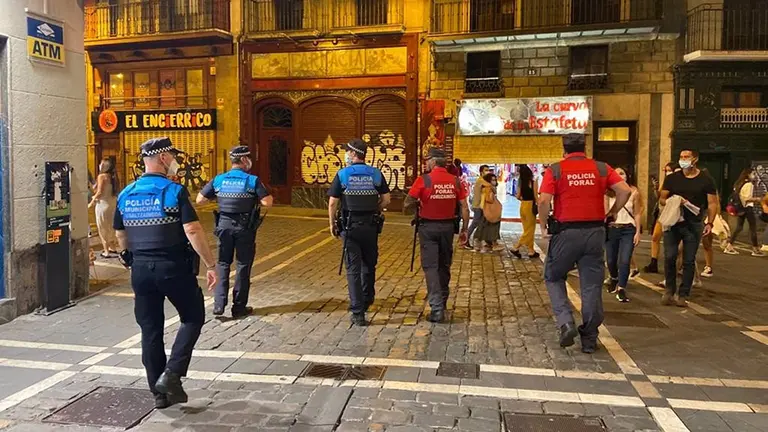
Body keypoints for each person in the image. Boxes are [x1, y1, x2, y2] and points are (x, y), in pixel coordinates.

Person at [114, 137, 217, 409]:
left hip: (140, 270)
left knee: (150, 330)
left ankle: (159, 395)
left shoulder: (126, 193)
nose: (175, 160)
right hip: (173, 268)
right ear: (162, 158)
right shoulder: (174, 191)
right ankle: (172, 374)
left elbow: (120, 233)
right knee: (193, 316)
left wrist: (129, 258)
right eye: (172, 155)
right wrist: (210, 264)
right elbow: (192, 229)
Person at [538, 134, 631, 353]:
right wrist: (613, 212)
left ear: (564, 149)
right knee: (591, 285)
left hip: (566, 233)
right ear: (585, 147)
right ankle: (589, 338)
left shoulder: (556, 170)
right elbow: (625, 190)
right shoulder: (601, 168)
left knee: (553, 276)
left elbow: (543, 200)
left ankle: (566, 322)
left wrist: (543, 226)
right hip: (595, 232)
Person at [196, 146, 274, 318]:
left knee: (223, 263)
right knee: (243, 265)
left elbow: (200, 199)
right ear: (244, 160)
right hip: (244, 228)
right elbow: (267, 202)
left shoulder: (219, 179)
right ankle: (239, 307)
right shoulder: (252, 180)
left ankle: (219, 304)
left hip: (223, 226)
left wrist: (219, 197)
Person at [328, 138, 391, 326]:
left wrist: (332, 224)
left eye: (347, 151)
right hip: (370, 226)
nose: (346, 154)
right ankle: (367, 298)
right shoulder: (375, 173)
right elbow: (386, 199)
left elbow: (333, 202)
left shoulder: (343, 174)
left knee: (353, 268)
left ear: (354, 154)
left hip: (350, 227)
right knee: (369, 264)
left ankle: (357, 311)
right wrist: (374, 209)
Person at [405, 148, 469, 323]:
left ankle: (437, 308)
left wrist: (418, 204)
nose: (426, 163)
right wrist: (465, 229)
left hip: (428, 228)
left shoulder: (424, 180)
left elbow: (407, 204)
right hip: (448, 228)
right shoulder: (455, 180)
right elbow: (464, 207)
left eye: (427, 160)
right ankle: (443, 301)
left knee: (431, 267)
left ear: (433, 162)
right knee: (444, 265)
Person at [659, 149, 718, 307]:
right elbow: (662, 198)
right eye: (681, 157)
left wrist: (710, 222)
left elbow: (712, 203)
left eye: (687, 157)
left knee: (689, 260)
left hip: (694, 224)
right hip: (673, 222)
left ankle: (683, 294)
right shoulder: (672, 179)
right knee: (670, 256)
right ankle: (669, 290)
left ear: (695, 159)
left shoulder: (706, 180)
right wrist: (674, 201)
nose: (683, 159)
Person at [604, 167, 644, 303]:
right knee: (610, 260)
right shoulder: (608, 193)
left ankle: (622, 288)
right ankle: (614, 278)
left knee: (625, 260)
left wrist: (638, 232)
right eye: (616, 174)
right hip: (612, 229)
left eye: (622, 173)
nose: (619, 176)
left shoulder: (634, 192)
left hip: (628, 229)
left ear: (627, 175)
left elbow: (637, 213)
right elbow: (605, 212)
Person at [644, 162, 680, 273]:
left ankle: (677, 266)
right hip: (662, 213)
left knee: (674, 242)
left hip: (674, 214)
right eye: (666, 171)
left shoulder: (679, 182)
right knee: (655, 237)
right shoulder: (666, 181)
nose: (667, 172)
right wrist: (656, 188)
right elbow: (659, 197)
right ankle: (653, 262)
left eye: (669, 170)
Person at [724, 167, 764, 256]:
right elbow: (747, 198)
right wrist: (758, 199)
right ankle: (755, 249)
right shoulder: (749, 184)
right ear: (748, 174)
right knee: (753, 228)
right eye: (753, 174)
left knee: (739, 227)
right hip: (747, 208)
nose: (754, 175)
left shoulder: (739, 183)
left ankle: (729, 246)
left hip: (741, 208)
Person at [89, 159, 119, 257]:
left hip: (103, 205)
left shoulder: (101, 176)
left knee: (102, 227)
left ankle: (106, 251)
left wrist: (91, 202)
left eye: (100, 164)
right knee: (111, 226)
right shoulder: (113, 177)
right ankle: (113, 247)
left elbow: (99, 192)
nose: (99, 165)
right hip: (112, 204)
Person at [510, 164, 539, 259]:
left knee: (527, 229)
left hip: (523, 205)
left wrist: (523, 199)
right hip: (530, 206)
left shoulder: (520, 182)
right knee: (530, 229)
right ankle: (516, 247)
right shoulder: (533, 182)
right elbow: (536, 196)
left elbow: (518, 196)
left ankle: (531, 250)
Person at [473, 173, 502, 253]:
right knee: (490, 226)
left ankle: (485, 243)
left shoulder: (487, 187)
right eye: (492, 180)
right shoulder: (489, 188)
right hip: (489, 210)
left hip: (487, 209)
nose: (494, 182)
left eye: (495, 180)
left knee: (484, 226)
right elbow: (490, 199)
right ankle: (492, 243)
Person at [464, 164, 490, 249]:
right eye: (486, 170)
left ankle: (482, 240)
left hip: (480, 205)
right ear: (481, 172)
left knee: (482, 223)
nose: (488, 172)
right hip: (478, 206)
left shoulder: (482, 180)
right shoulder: (481, 180)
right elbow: (492, 185)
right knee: (475, 223)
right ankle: (465, 240)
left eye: (488, 170)